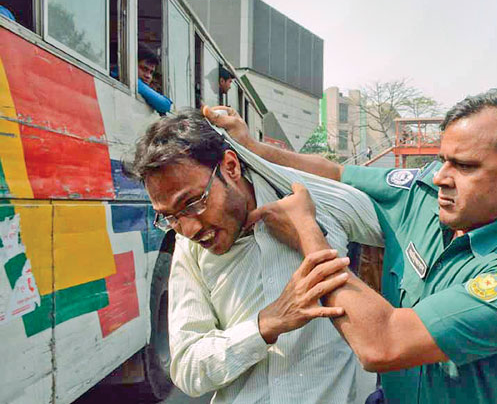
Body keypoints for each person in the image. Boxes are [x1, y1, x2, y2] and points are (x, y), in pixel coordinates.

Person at [205, 89, 497, 403]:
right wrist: (253, 147)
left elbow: (382, 344)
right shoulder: (424, 196)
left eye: (464, 166)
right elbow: (335, 174)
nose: (441, 177)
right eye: (442, 159)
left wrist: (306, 231)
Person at [126, 110, 382, 403]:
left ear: (231, 167)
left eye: (193, 203)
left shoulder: (316, 205)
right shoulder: (190, 248)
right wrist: (264, 326)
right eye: (170, 217)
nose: (189, 228)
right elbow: (187, 368)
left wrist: (308, 231)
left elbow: (403, 221)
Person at [136, 45, 172, 114]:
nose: (148, 76)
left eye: (151, 72)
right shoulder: (135, 83)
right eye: (144, 69)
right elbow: (164, 105)